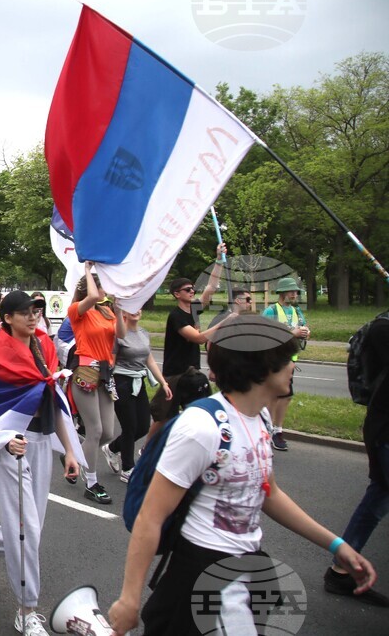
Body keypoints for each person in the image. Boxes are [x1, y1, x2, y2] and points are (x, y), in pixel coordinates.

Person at [108, 315, 379, 635]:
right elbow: (150, 518)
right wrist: (129, 600)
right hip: (200, 572)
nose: (293, 366)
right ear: (263, 368)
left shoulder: (260, 418)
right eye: (287, 359)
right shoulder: (201, 427)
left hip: (246, 567)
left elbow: (269, 493)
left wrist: (336, 545)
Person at [0, 290, 83, 636]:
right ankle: (27, 608)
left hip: (40, 442)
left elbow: (52, 398)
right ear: (7, 319)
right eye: (25, 312)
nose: (33, 316)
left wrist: (70, 451)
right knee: (26, 530)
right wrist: (3, 439)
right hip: (9, 448)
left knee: (31, 529)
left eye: (36, 311)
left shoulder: (45, 347)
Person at [324, 312, 389, 606]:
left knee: (378, 497)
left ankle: (341, 569)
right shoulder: (382, 328)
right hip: (385, 428)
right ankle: (341, 568)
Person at [67, 263, 125, 504]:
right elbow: (91, 295)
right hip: (85, 372)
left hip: (105, 373)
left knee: (109, 432)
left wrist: (119, 309)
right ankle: (91, 483)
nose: (105, 291)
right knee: (96, 430)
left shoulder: (107, 311)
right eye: (104, 287)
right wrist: (88, 270)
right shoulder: (77, 311)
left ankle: (75, 453)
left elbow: (120, 335)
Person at [103, 305, 171, 484]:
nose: (136, 310)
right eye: (131, 308)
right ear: (123, 312)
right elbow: (111, 361)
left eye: (139, 307)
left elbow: (149, 359)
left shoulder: (143, 333)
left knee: (143, 426)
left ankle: (112, 448)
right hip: (122, 382)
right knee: (130, 426)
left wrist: (163, 382)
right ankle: (127, 468)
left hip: (138, 382)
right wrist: (109, 385)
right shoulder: (119, 334)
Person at [161, 243, 228, 379]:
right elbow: (199, 338)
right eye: (187, 290)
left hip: (192, 370)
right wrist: (226, 322)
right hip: (175, 374)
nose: (192, 291)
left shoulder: (194, 308)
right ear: (177, 294)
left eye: (192, 288)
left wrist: (219, 261)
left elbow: (211, 287)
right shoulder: (176, 316)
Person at [262, 277, 310, 451]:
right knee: (275, 395)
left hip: (291, 359)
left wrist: (305, 332)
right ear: (282, 292)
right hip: (275, 359)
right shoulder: (271, 311)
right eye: (291, 291)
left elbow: (303, 326)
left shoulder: (297, 311)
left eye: (296, 291)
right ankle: (269, 431)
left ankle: (277, 430)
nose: (294, 294)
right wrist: (293, 333)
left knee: (286, 395)